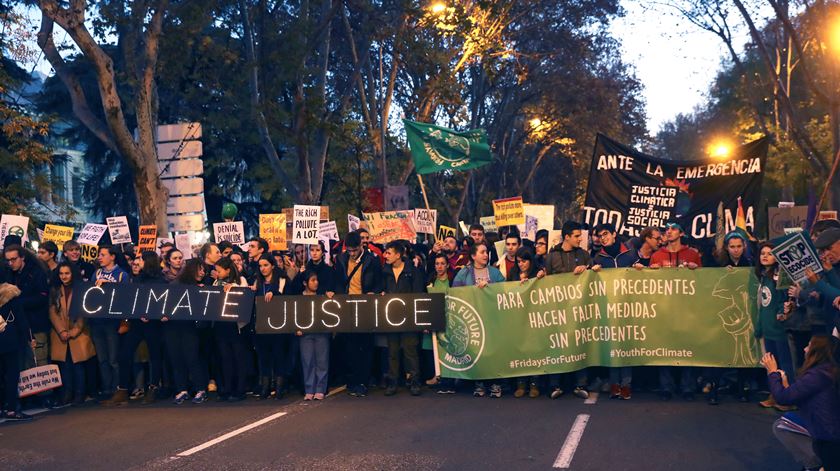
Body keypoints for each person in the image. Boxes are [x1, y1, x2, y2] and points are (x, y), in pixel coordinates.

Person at [764, 334, 840, 471]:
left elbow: (782, 399)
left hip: (829, 436)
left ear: (817, 352)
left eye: (809, 346)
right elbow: (796, 400)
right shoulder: (827, 372)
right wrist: (785, 384)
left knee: (781, 425)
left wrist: (772, 373)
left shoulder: (818, 375)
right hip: (830, 432)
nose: (805, 349)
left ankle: (813, 464)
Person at [103, 251, 166, 406]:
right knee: (125, 354)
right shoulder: (137, 279)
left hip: (153, 325)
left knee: (155, 356)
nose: (137, 262)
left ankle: (153, 388)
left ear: (148, 261)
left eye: (141, 259)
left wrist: (152, 314)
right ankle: (122, 389)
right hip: (137, 324)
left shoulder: (160, 282)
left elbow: (162, 302)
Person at [543, 222, 595, 400]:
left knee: (579, 343)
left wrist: (588, 269)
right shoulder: (551, 256)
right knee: (557, 344)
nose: (580, 239)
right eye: (577, 236)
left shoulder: (584, 254)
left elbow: (594, 273)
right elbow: (546, 282)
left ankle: (581, 384)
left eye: (580, 235)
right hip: (557, 310)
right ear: (566, 237)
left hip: (579, 309)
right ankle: (554, 385)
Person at [334, 231, 383, 398]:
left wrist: (373, 292)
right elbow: (338, 281)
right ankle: (353, 379)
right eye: (349, 251)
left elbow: (379, 282)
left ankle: (363, 381)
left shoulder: (372, 261)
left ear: (361, 246)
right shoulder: (340, 259)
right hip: (347, 307)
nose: (352, 253)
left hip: (365, 307)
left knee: (365, 346)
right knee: (350, 346)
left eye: (354, 250)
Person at [453, 242, 505, 398]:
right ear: (473, 256)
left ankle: (495, 383)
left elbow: (505, 290)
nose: (485, 255)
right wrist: (474, 290)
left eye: (487, 252)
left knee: (494, 351)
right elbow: (456, 291)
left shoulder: (495, 273)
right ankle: (479, 383)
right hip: (473, 319)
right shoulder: (464, 273)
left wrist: (489, 287)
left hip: (492, 317)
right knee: (478, 351)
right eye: (482, 252)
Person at [592, 223, 635, 400]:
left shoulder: (630, 254)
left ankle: (626, 384)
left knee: (625, 347)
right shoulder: (598, 258)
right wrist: (592, 272)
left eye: (606, 234)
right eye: (600, 235)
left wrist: (640, 270)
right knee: (612, 347)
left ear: (614, 234)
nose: (603, 238)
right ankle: (614, 384)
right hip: (608, 308)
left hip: (627, 307)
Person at [382, 241, 426, 396]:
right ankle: (392, 382)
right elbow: (380, 289)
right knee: (392, 351)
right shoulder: (384, 271)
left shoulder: (412, 271)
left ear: (398, 255)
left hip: (408, 317)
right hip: (391, 317)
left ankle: (414, 381)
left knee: (410, 351)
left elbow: (419, 293)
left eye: (389, 253)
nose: (385, 255)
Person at [755, 241, 795, 410]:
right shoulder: (764, 276)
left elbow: (783, 299)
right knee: (772, 363)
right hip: (768, 328)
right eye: (762, 253)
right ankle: (775, 394)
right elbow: (762, 304)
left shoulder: (779, 277)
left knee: (785, 364)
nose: (765, 256)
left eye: (769, 253)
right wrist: (760, 326)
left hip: (778, 328)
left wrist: (782, 312)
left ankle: (788, 398)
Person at [49, 262, 95, 406]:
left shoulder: (80, 289)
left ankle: (80, 393)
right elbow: (52, 312)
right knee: (65, 365)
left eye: (67, 273)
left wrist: (74, 331)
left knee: (78, 365)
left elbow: (84, 312)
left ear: (72, 274)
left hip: (77, 333)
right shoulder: (55, 290)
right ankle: (67, 393)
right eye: (61, 273)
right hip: (60, 333)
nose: (64, 276)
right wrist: (62, 331)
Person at [165, 259, 209, 405]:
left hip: (190, 328)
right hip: (174, 327)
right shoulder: (175, 285)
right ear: (192, 270)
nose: (203, 273)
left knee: (192, 358)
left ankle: (200, 389)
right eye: (200, 269)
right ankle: (182, 389)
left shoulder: (198, 286)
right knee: (176, 358)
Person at [89, 246, 129, 399]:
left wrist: (110, 285)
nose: (99, 257)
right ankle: (107, 389)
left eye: (103, 255)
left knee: (113, 359)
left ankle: (118, 388)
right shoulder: (97, 273)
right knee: (102, 359)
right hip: (97, 320)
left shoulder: (121, 275)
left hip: (112, 322)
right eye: (99, 255)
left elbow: (125, 296)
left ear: (112, 257)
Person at [252, 254, 291, 399]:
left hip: (278, 323)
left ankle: (280, 387)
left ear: (272, 266)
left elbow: (288, 297)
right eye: (260, 266)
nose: (263, 268)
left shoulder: (281, 280)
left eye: (266, 265)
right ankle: (265, 386)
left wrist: (274, 293)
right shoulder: (257, 282)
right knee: (264, 356)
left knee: (279, 355)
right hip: (262, 324)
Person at [508, 246, 544, 399]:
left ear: (530, 261)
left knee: (534, 350)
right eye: (518, 262)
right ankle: (521, 383)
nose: (521, 264)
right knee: (520, 350)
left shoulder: (538, 273)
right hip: (518, 318)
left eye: (523, 261)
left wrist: (539, 279)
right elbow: (506, 291)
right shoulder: (513, 274)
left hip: (535, 316)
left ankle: (535, 384)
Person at [212, 257, 250, 402]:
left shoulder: (240, 280)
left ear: (227, 270)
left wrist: (233, 287)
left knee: (238, 358)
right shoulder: (216, 282)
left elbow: (245, 295)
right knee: (225, 358)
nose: (216, 273)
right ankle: (228, 388)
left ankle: (240, 389)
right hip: (221, 325)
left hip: (235, 326)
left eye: (219, 270)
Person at [0, 277, 33, 421]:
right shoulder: (11, 295)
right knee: (12, 375)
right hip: (10, 339)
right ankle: (11, 409)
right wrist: (29, 337)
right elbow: (21, 319)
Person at [298, 271, 331, 401]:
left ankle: (320, 389)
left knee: (322, 361)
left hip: (321, 332)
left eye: (316, 280)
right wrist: (296, 328)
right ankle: (309, 389)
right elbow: (295, 314)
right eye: (312, 280)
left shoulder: (322, 296)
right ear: (305, 283)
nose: (316, 282)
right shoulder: (299, 298)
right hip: (305, 334)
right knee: (307, 362)